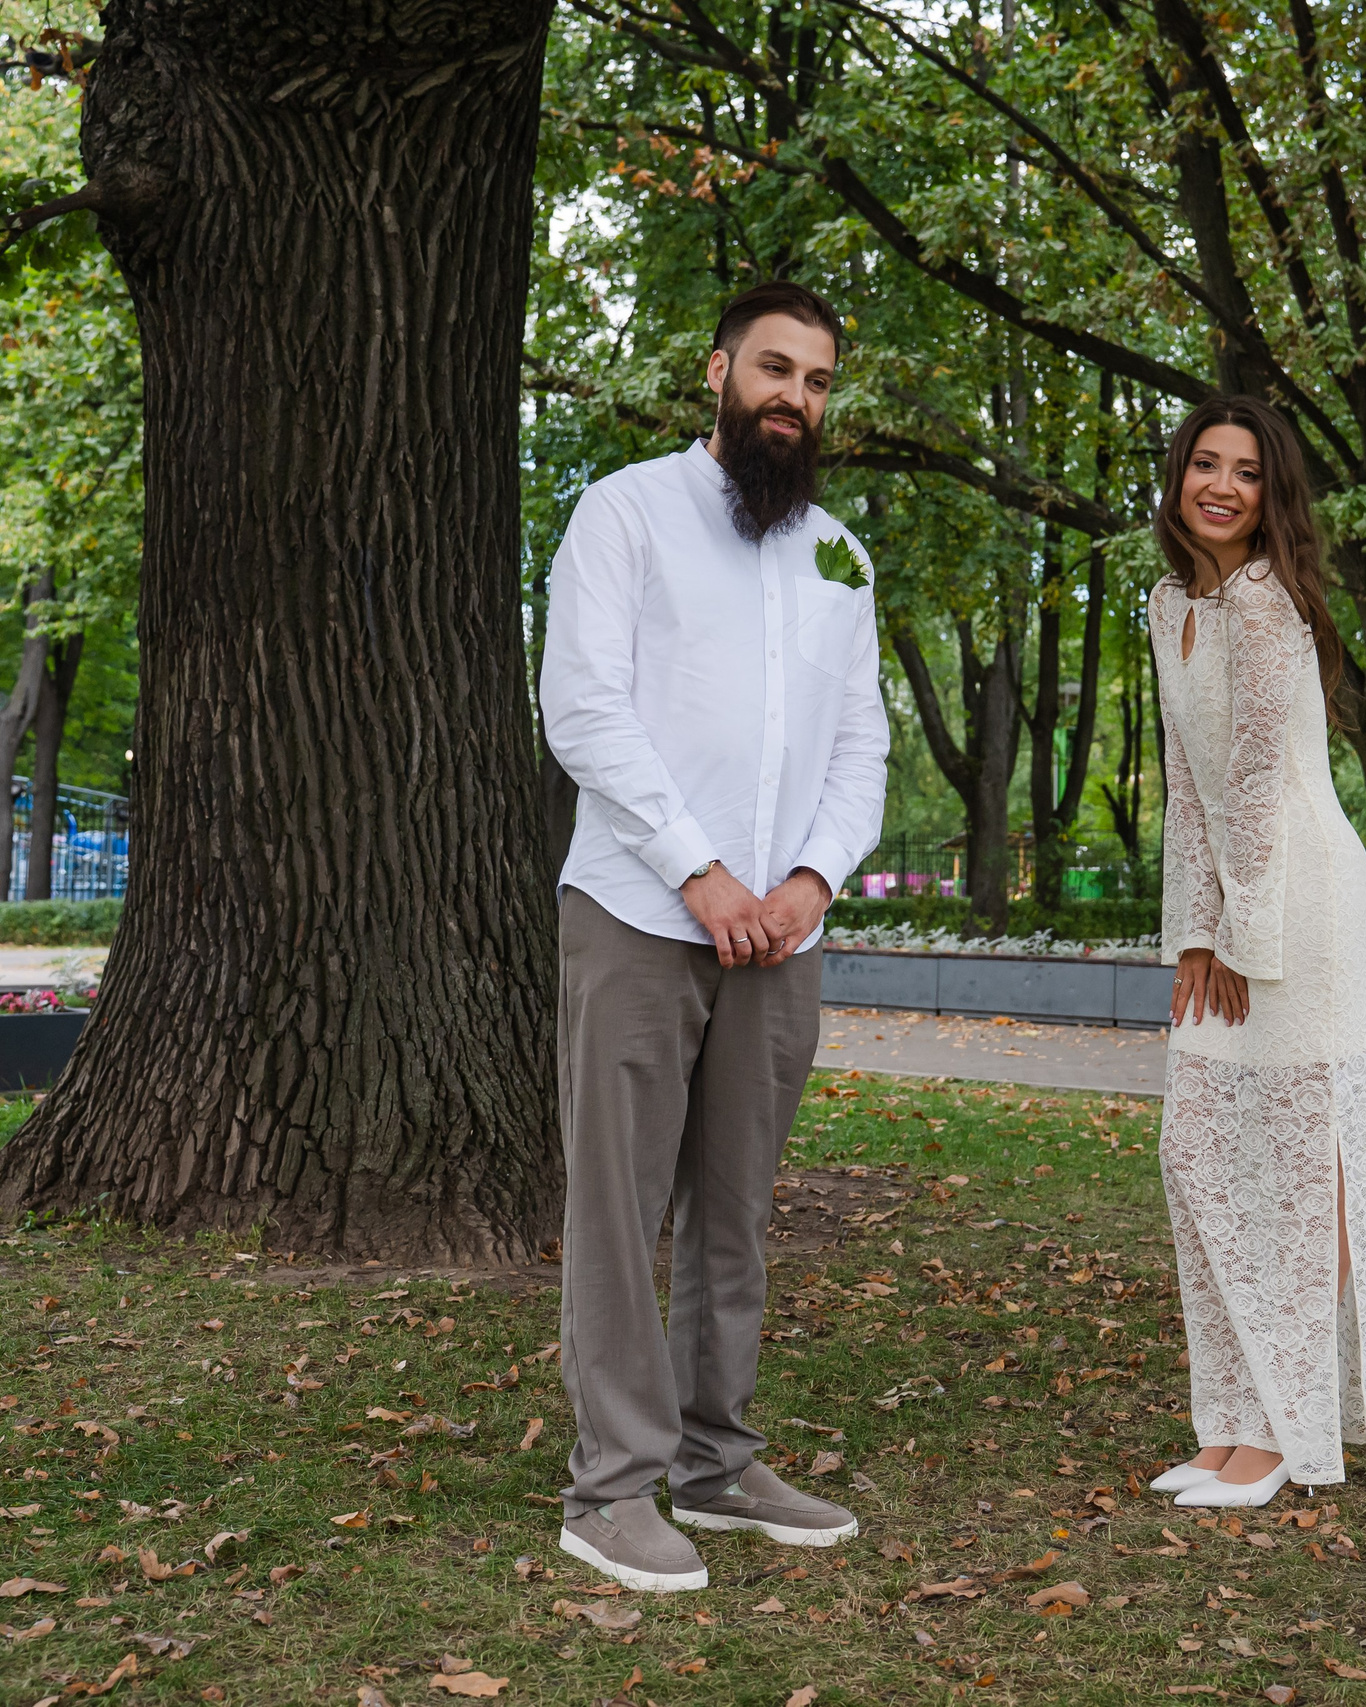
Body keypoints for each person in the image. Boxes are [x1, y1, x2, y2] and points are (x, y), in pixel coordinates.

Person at [539, 280, 890, 1592]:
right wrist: (702, 873)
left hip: (779, 938)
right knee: (621, 1205)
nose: (795, 396)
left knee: (736, 1207)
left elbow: (863, 740)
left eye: (816, 381)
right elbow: (583, 707)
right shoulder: (626, 510)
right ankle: (611, 1486)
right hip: (638, 914)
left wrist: (807, 876)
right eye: (775, 368)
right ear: (719, 370)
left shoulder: (839, 556)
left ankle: (715, 1458)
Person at [1141, 396, 1366, 1511]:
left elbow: (1254, 783)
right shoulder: (1169, 602)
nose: (1220, 485)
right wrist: (1196, 935)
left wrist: (1246, 936)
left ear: (1270, 496)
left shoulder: (1265, 606)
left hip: (1305, 897)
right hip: (1241, 904)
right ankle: (1232, 1424)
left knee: (1306, 1166)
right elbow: (1190, 792)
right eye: (1204, 463)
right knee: (1197, 1149)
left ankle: (1288, 1435)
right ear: (1178, 477)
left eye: (1245, 473)